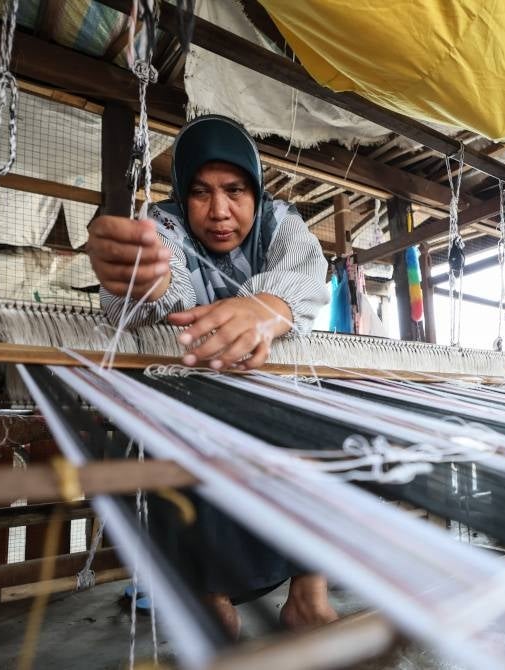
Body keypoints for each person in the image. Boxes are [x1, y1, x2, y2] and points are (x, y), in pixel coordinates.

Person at [86, 114, 335, 637]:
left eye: (235, 190)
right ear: (182, 195)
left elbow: (308, 275)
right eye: (200, 192)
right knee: (167, 446)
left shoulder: (279, 222)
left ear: (255, 190)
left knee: (320, 432)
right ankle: (211, 601)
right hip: (192, 406)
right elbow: (164, 282)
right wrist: (144, 281)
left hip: (271, 403)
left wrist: (268, 307)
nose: (219, 211)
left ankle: (308, 597)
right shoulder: (165, 225)